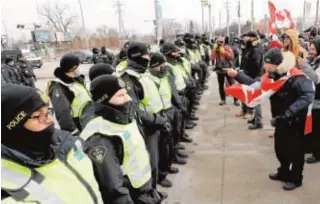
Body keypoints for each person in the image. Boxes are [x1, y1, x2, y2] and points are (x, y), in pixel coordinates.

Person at [226, 50, 315, 190]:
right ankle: (284, 171)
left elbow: (307, 96)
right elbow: (254, 84)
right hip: (280, 119)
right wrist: (237, 75)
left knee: (295, 151)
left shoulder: (296, 77)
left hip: (295, 120)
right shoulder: (271, 77)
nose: (264, 66)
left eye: (267, 63)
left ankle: (296, 178)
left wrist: (288, 113)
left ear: (275, 65)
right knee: (280, 148)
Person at [1, 84, 102, 203]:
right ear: (13, 129)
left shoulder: (68, 143)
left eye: (48, 112)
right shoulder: (7, 185)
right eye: (38, 116)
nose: (49, 120)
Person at [79, 75, 162, 204]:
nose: (128, 98)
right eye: (120, 95)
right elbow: (112, 188)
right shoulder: (100, 138)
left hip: (143, 188)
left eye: (126, 93)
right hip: (132, 196)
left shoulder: (125, 117)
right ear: (104, 100)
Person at [117, 42, 170, 198]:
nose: (148, 58)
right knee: (148, 164)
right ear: (137, 56)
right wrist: (155, 120)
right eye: (146, 55)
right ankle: (149, 196)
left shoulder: (142, 73)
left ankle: (153, 191)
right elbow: (133, 110)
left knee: (155, 160)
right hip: (145, 127)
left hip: (155, 122)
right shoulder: (128, 78)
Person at [46, 54, 91, 136]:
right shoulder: (59, 86)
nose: (80, 68)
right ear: (73, 68)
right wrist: (73, 133)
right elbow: (63, 114)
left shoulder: (78, 79)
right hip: (78, 126)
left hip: (88, 121)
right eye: (78, 65)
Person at [239, 31, 264, 129]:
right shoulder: (251, 47)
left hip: (255, 76)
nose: (244, 39)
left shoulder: (256, 48)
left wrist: (249, 75)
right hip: (251, 75)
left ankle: (258, 122)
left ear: (252, 38)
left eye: (246, 37)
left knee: (256, 99)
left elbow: (256, 64)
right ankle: (255, 118)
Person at [210, 36, 239, 106]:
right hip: (219, 70)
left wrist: (224, 52)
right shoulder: (215, 49)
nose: (220, 43)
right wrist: (214, 50)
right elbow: (211, 58)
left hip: (228, 69)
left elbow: (231, 57)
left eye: (221, 42)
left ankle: (236, 100)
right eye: (218, 42)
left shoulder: (227, 48)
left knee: (233, 84)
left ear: (223, 42)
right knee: (221, 85)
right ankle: (223, 100)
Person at [305, 38, 320, 164]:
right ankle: (310, 147)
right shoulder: (312, 60)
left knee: (317, 128)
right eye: (310, 48)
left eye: (313, 48)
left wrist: (304, 66)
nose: (310, 51)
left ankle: (317, 154)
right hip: (312, 96)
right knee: (311, 125)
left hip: (318, 99)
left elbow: (316, 78)